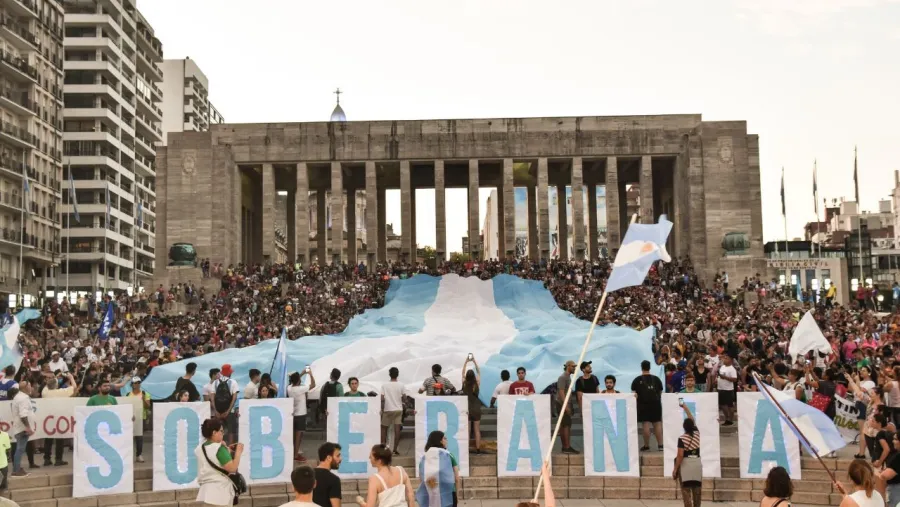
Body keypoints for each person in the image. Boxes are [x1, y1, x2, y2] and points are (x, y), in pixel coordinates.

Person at [196, 418, 244, 506]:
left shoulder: (200, 448)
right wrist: (238, 452)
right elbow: (232, 468)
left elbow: (213, 460)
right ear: (214, 432)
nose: (223, 433)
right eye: (221, 431)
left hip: (205, 492)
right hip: (221, 493)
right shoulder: (220, 449)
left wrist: (226, 451)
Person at [415, 431, 459, 507]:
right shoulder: (449, 455)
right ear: (440, 441)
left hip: (430, 494)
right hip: (449, 494)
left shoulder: (424, 458)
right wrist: (457, 495)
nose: (446, 440)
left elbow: (421, 479)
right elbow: (457, 478)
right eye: (444, 438)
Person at [672, 402, 701, 507]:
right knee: (697, 490)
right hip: (697, 463)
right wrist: (685, 407)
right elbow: (691, 419)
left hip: (686, 465)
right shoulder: (697, 434)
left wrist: (675, 469)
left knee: (686, 491)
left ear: (684, 427)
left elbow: (680, 456)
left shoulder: (682, 438)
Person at [631, 360, 664, 451]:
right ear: (650, 367)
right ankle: (660, 445)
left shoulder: (637, 380)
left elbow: (634, 394)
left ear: (641, 368)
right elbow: (660, 392)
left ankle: (646, 446)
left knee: (645, 424)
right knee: (657, 423)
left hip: (643, 404)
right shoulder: (656, 379)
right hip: (656, 404)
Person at [288, 369, 316, 462]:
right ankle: (296, 455)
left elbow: (294, 380)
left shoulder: (289, 388)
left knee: (294, 435)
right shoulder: (300, 389)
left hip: (293, 414)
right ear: (298, 380)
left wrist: (302, 373)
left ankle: (293, 452)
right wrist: (310, 374)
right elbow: (313, 385)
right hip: (301, 415)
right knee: (298, 436)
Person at [10, 382, 34, 477]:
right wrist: (27, 427)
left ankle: (17, 469)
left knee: (20, 449)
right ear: (25, 387)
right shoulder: (23, 398)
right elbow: (23, 415)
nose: (31, 387)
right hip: (22, 428)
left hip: (20, 427)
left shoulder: (19, 397)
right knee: (20, 449)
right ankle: (16, 471)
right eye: (30, 386)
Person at [212, 364, 239, 446]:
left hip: (218, 411)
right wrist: (228, 411)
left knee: (217, 431)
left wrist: (216, 411)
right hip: (229, 412)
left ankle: (217, 447)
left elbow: (212, 398)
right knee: (231, 431)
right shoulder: (233, 382)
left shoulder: (215, 382)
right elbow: (234, 398)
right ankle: (229, 449)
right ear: (229, 373)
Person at [126, 377, 151, 463]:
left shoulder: (145, 394)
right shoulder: (128, 394)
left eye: (138, 382)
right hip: (130, 418)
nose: (137, 384)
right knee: (129, 437)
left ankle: (139, 455)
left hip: (141, 418)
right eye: (135, 383)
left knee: (139, 437)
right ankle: (128, 455)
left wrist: (143, 399)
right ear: (132, 384)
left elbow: (148, 406)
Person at [381, 367, 405, 453]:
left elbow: (382, 398)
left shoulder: (384, 385)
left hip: (388, 409)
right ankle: (395, 449)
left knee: (384, 428)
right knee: (397, 428)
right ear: (397, 374)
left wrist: (382, 408)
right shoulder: (401, 385)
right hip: (398, 409)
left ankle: (383, 447)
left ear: (389, 374)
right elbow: (404, 397)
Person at [461, 356, 482, 453]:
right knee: (477, 430)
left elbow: (462, 372)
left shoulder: (464, 383)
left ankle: (467, 450)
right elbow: (479, 372)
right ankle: (478, 450)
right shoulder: (477, 383)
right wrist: (474, 361)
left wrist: (466, 361)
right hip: (476, 408)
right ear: (474, 376)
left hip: (467, 407)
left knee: (468, 430)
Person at [558, 360, 579, 454]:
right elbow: (561, 392)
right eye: (573, 366)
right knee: (566, 425)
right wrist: (566, 406)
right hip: (562, 404)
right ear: (568, 366)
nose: (574, 368)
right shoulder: (563, 377)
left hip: (565, 403)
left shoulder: (567, 377)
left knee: (564, 425)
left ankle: (565, 446)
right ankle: (567, 447)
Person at [312, 442, 342, 507]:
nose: (340, 459)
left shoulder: (308, 475)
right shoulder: (334, 480)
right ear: (329, 458)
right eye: (338, 456)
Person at [877, 432, 900, 505]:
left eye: (895, 439)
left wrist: (880, 473)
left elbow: (884, 476)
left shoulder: (898, 457)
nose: (893, 441)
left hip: (896, 491)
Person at [716, 355, 738, 426]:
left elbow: (734, 379)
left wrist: (725, 377)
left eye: (726, 358)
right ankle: (727, 418)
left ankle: (730, 420)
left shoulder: (732, 369)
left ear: (730, 361)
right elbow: (720, 375)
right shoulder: (722, 366)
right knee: (722, 404)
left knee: (729, 405)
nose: (724, 359)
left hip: (728, 389)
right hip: (720, 388)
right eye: (724, 358)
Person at [0, 427, 9, 494]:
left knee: (3, 485)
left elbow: (8, 448)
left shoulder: (5, 435)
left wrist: (8, 457)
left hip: (3, 463)